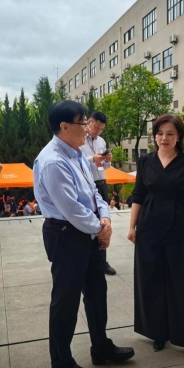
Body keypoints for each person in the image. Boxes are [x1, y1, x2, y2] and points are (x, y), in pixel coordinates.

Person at [34, 100, 134, 368]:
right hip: (66, 235)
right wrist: (101, 229)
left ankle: (101, 348)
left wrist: (105, 219)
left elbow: (94, 193)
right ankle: (62, 361)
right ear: (64, 126)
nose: (88, 129)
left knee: (97, 292)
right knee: (66, 300)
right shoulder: (53, 161)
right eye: (83, 123)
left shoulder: (76, 154)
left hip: (89, 230)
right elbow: (72, 210)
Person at [127, 114, 184, 362]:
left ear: (179, 137)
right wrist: (132, 226)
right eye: (159, 133)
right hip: (149, 230)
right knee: (151, 282)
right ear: (154, 136)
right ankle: (158, 332)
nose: (164, 138)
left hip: (180, 231)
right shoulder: (146, 161)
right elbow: (138, 194)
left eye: (170, 134)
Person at [80, 111, 117, 276]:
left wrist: (107, 160)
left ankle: (103, 260)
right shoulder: (79, 140)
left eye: (101, 129)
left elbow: (103, 167)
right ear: (89, 122)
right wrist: (92, 159)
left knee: (104, 222)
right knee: (90, 222)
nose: (98, 131)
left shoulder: (101, 141)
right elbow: (75, 162)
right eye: (96, 127)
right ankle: (89, 259)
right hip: (87, 184)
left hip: (101, 183)